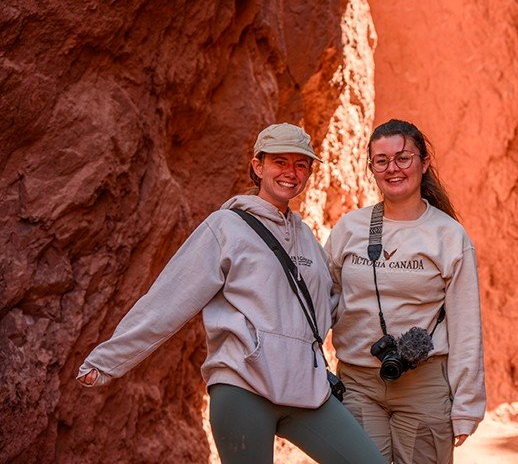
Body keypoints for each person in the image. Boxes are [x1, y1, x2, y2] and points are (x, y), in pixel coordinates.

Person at [77, 123, 384, 464]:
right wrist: (108, 361)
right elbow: (167, 300)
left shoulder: (307, 239)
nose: (290, 172)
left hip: (306, 389)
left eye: (300, 164)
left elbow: (331, 306)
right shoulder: (226, 227)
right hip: (243, 385)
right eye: (279, 162)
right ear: (258, 166)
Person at [325, 119, 486, 463]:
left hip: (423, 385)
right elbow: (322, 301)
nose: (392, 169)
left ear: (424, 163)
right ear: (371, 167)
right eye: (381, 161)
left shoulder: (448, 235)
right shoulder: (349, 229)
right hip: (358, 384)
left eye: (403, 158)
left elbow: (466, 326)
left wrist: (467, 404)